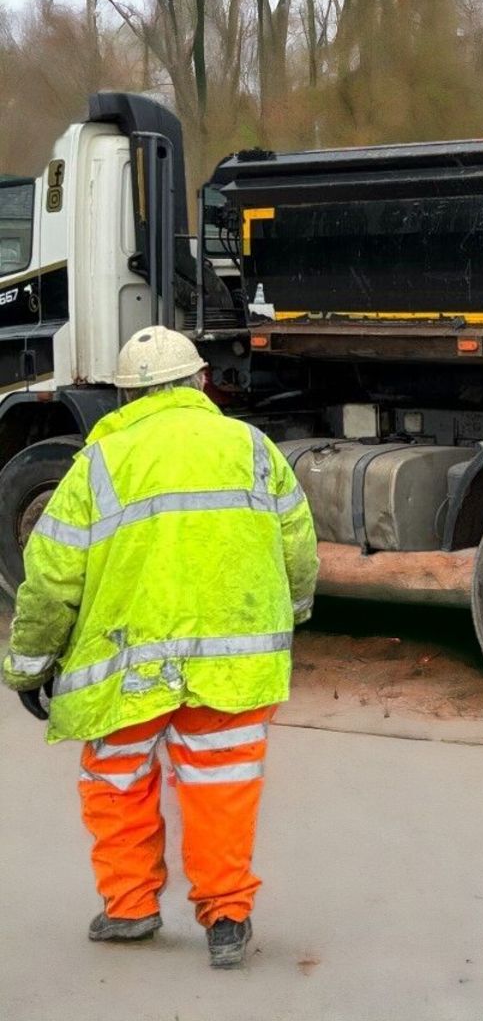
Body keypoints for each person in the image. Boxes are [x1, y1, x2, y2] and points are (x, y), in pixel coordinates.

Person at [1, 326, 317, 969]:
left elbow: (51, 577)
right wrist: (295, 612)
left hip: (125, 669)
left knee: (116, 782)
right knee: (221, 784)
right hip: (231, 666)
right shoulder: (251, 447)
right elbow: (297, 544)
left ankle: (130, 907)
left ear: (126, 396)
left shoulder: (99, 464)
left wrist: (28, 666)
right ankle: (227, 917)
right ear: (201, 382)